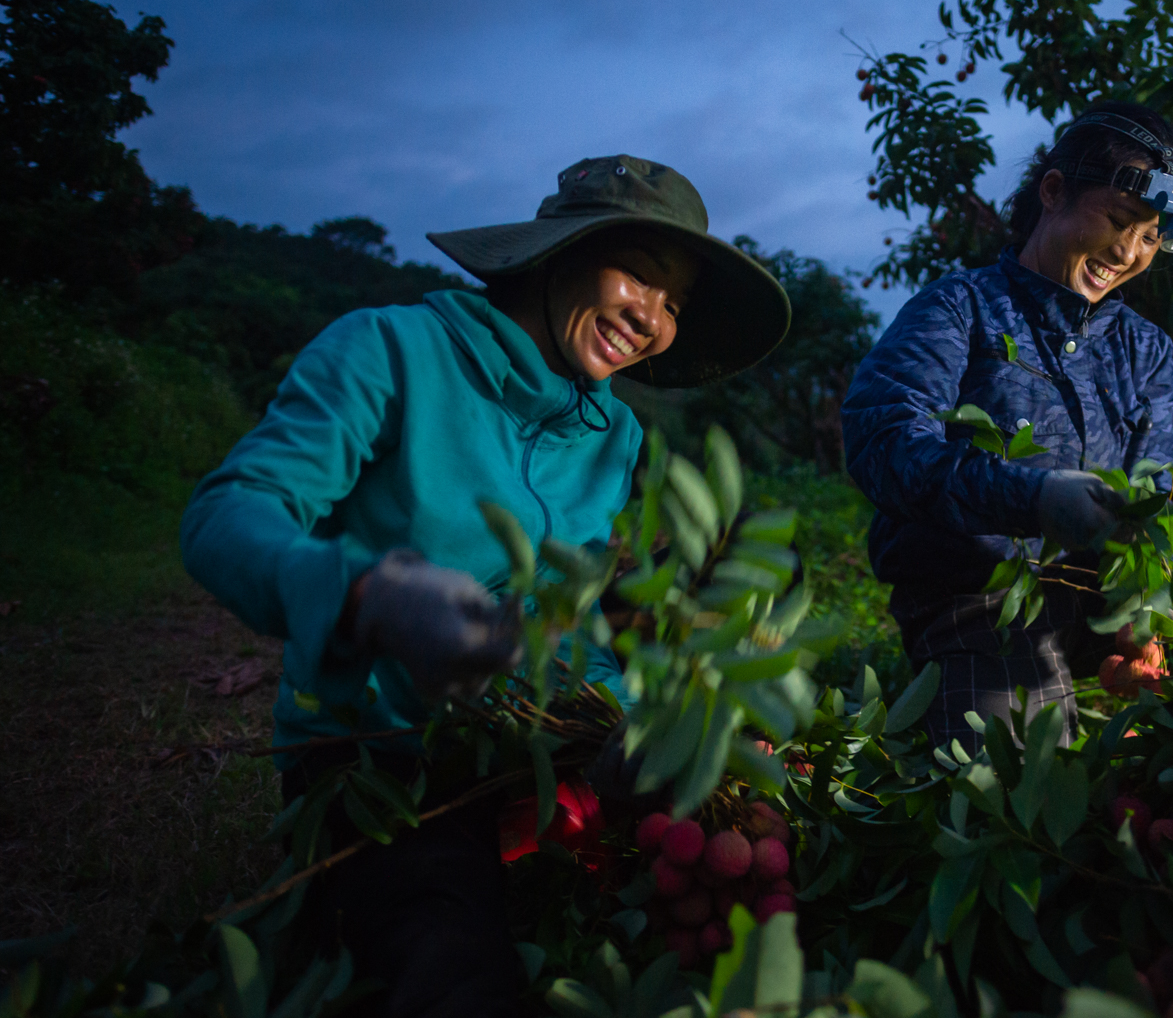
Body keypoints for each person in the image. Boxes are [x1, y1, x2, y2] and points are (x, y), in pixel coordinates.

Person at [181, 155, 789, 1017]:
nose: (650, 320)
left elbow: (575, 617)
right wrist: (370, 597)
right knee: (450, 965)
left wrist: (628, 721)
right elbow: (228, 515)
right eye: (640, 279)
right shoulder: (389, 349)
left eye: (674, 307)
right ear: (555, 253)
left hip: (535, 752)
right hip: (382, 756)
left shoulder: (615, 437)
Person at [842, 102, 1173, 750]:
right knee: (1026, 777)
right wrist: (1034, 500)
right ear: (1052, 192)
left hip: (1108, 598)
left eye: (1152, 237)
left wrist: (1155, 592)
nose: (1127, 252)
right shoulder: (958, 309)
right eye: (1119, 220)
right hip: (982, 599)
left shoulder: (1143, 347)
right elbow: (883, 443)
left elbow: (1170, 474)